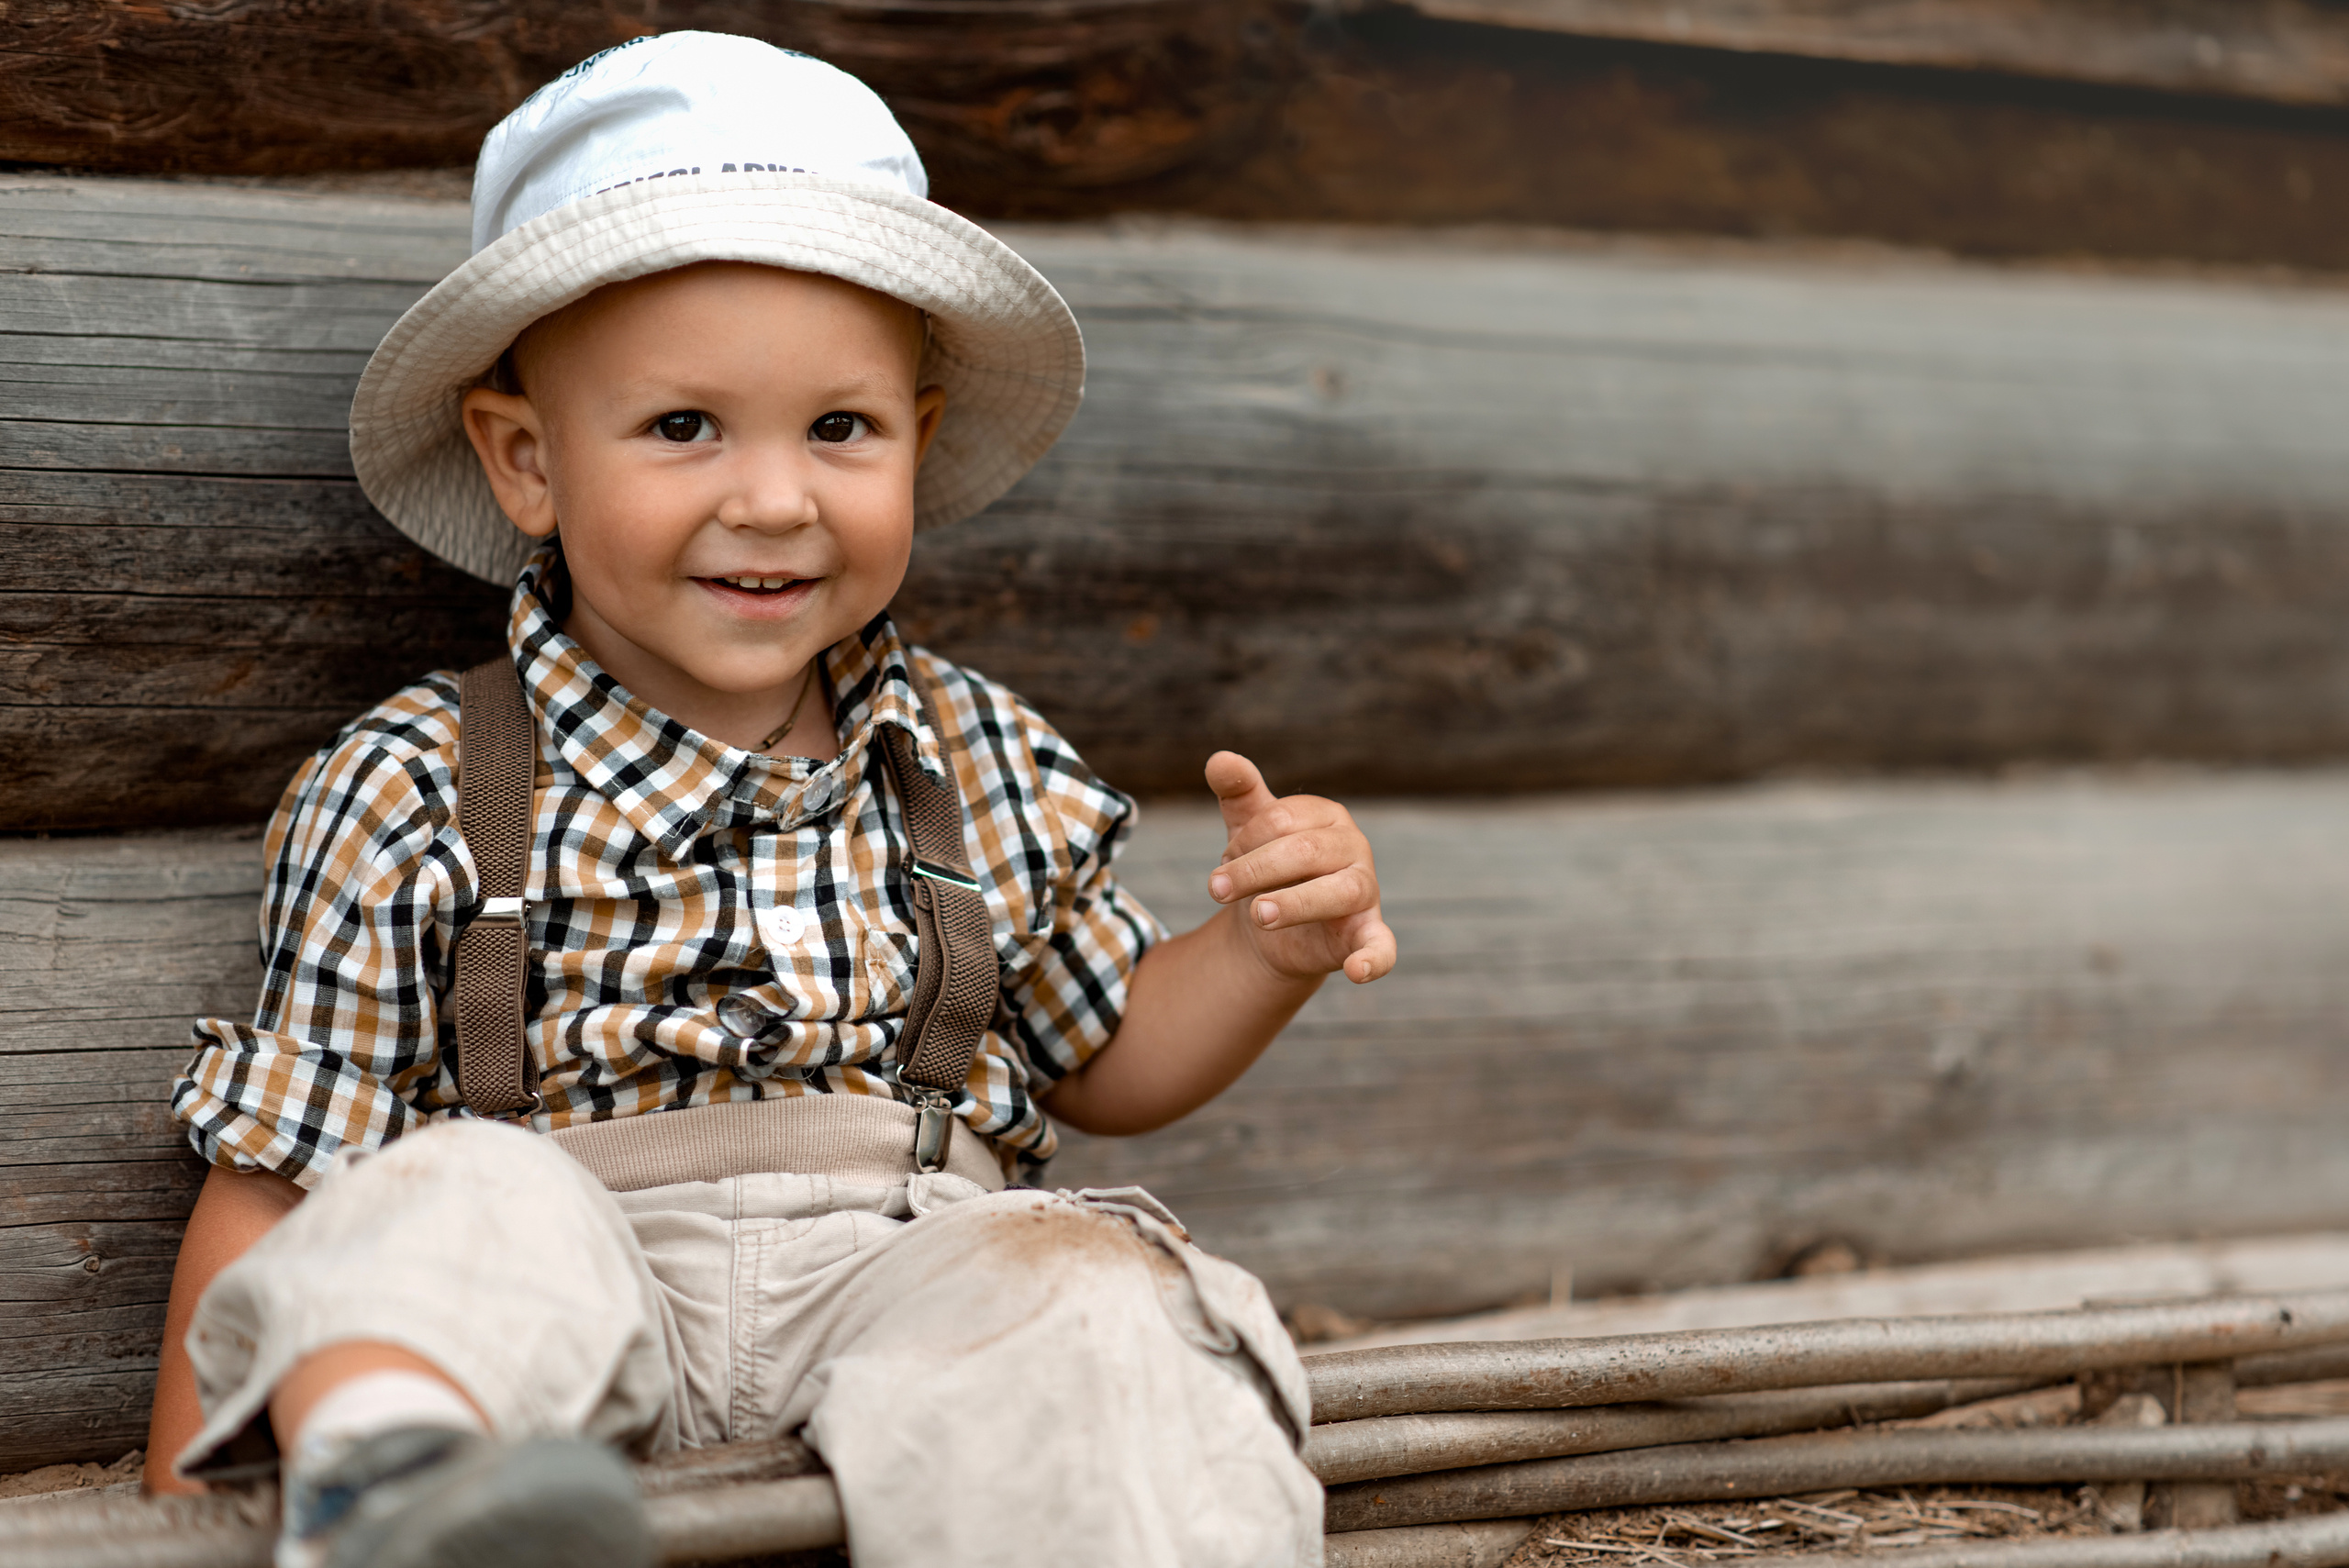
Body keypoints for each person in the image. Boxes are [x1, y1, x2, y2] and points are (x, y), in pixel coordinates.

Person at [139, 31, 1395, 1568]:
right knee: (439, 1195)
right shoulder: (416, 784)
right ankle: (403, 1492)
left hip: (909, 1275)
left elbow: (1108, 1050)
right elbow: (279, 1170)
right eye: (684, 426)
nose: (775, 498)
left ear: (920, 439)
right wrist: (179, 1519)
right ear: (526, 461)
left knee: (1089, 1292)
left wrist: (1263, 950)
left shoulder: (969, 753)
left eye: (839, 428)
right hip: (571, 1306)